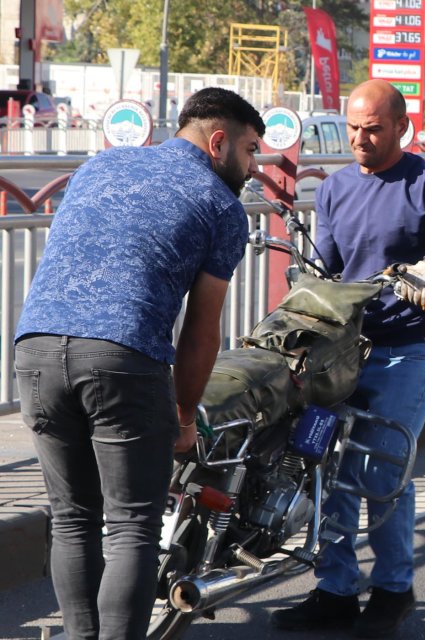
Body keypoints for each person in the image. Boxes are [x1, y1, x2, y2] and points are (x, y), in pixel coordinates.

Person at [14, 87, 264, 639]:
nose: (253, 166)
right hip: (122, 357)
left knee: (74, 519)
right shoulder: (222, 206)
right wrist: (182, 414)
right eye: (249, 151)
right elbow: (201, 332)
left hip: (33, 351)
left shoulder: (101, 164)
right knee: (131, 526)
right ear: (217, 140)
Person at [270, 80, 425, 638]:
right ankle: (335, 590)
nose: (360, 139)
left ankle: (395, 591)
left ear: (401, 127)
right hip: (346, 349)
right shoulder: (336, 187)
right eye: (352, 128)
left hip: (410, 350)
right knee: (321, 463)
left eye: (372, 128)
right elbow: (329, 264)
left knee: (378, 467)